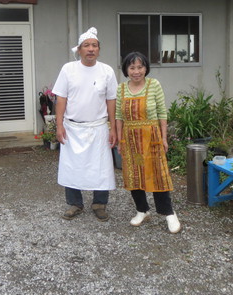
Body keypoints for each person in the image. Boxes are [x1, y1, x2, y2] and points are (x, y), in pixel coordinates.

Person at [52, 27, 118, 222]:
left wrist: (113, 127)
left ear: (99, 49)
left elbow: (111, 100)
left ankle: (99, 203)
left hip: (98, 127)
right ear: (79, 50)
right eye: (86, 45)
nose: (91, 49)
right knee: (71, 167)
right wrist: (59, 125)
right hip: (72, 128)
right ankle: (75, 203)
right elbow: (61, 98)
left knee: (101, 167)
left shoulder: (107, 71)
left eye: (94, 45)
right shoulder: (68, 69)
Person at [116, 51, 181, 233]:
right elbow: (119, 116)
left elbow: (162, 112)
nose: (136, 71)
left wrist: (164, 137)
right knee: (135, 174)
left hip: (151, 138)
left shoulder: (154, 85)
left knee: (158, 175)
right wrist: (120, 140)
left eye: (140, 67)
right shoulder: (121, 89)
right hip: (131, 141)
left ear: (146, 68)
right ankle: (142, 210)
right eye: (132, 67)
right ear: (126, 70)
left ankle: (169, 213)